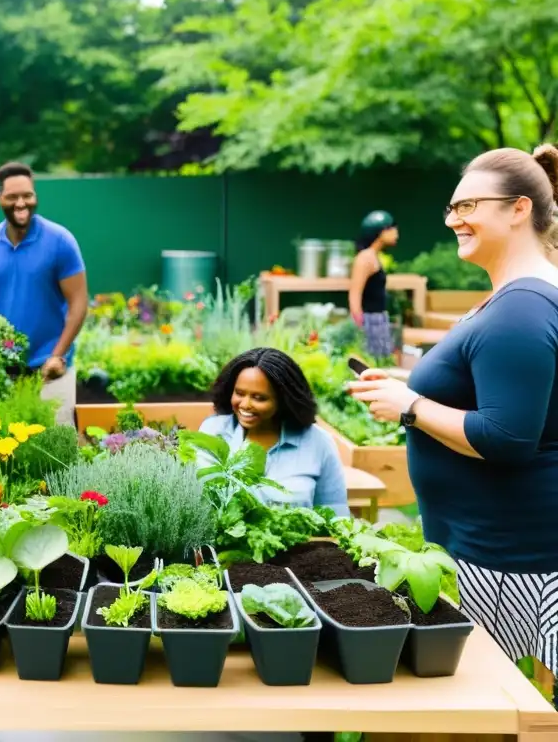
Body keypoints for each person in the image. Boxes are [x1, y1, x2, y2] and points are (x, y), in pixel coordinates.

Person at [348, 143, 558, 689]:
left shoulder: (522, 306)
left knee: (464, 713)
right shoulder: (512, 299)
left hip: (507, 563)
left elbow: (508, 438)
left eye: (468, 207)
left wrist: (411, 407)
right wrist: (399, 387)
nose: (454, 220)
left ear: (518, 209)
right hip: (496, 553)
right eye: (452, 207)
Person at [0, 161, 88, 427]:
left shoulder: (60, 241)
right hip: (5, 371)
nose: (21, 203)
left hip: (51, 370)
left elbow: (79, 303)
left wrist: (58, 355)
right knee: (8, 452)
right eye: (12, 197)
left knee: (58, 452)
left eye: (27, 195)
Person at [197, 347, 349, 516]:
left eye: (259, 398)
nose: (245, 404)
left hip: (300, 542)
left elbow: (335, 513)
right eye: (239, 393)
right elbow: (197, 498)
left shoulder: (319, 443)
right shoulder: (212, 431)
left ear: (284, 400)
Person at [348, 209, 399, 359]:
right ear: (380, 232)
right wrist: (360, 327)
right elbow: (355, 294)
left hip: (379, 319)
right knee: (372, 361)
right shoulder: (365, 259)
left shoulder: (374, 256)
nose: (396, 233)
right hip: (370, 321)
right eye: (391, 228)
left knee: (382, 361)